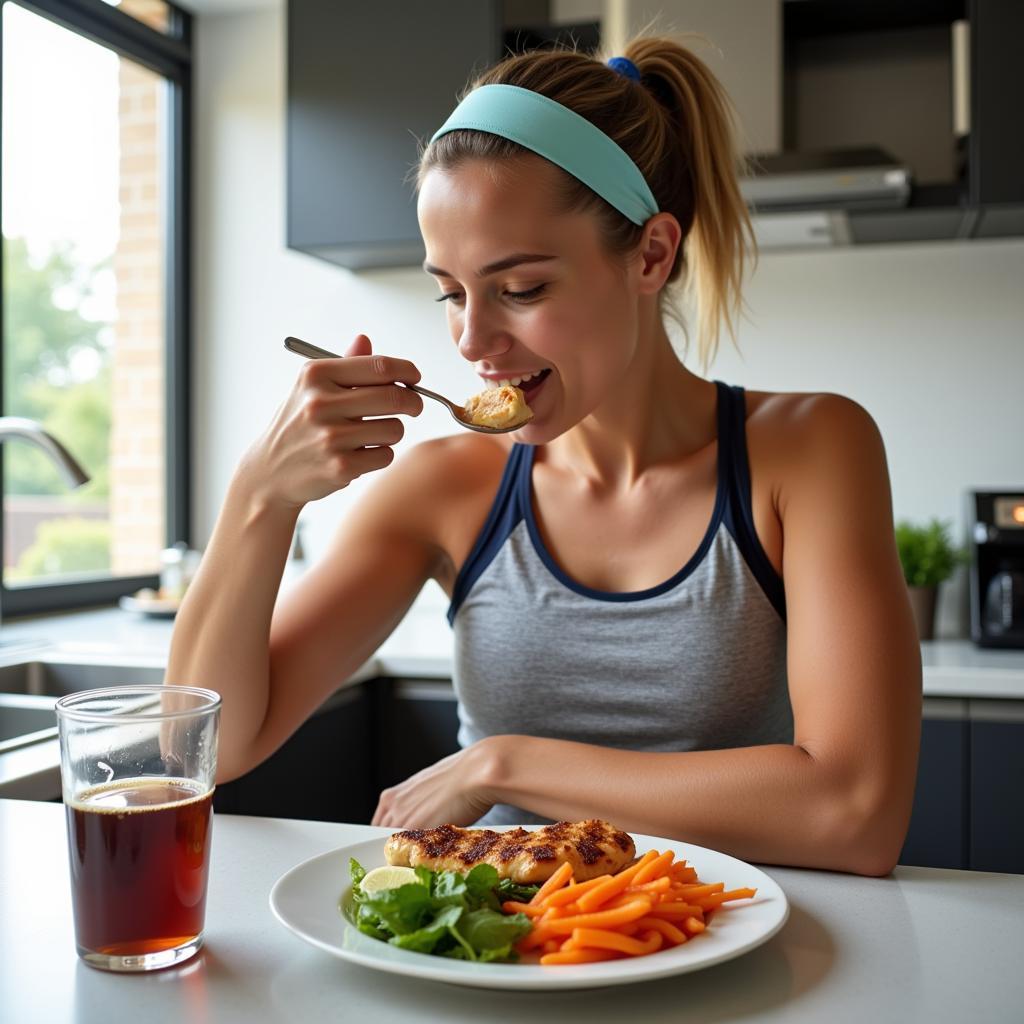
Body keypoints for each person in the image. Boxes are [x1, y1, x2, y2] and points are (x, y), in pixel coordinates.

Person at [167, 36, 921, 876]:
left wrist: (505, 764)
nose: (472, 340)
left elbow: (855, 813)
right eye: (450, 292)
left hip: (718, 954)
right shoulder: (444, 488)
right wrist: (260, 499)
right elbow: (204, 750)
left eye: (520, 289)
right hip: (486, 965)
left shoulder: (809, 452)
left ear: (650, 254)